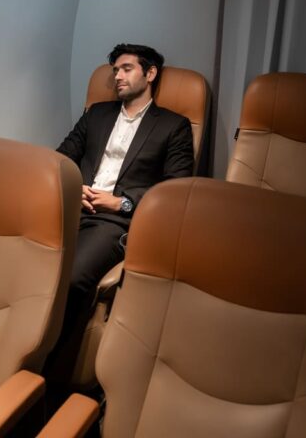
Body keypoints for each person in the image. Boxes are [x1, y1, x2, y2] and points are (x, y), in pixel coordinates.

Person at [48, 43, 194, 381]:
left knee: (72, 278)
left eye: (127, 69)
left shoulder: (173, 126)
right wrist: (74, 186)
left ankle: (51, 375)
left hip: (115, 221)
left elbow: (176, 190)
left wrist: (122, 201)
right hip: (72, 205)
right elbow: (60, 158)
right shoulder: (97, 114)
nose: (117, 76)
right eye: (115, 70)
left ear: (150, 73)